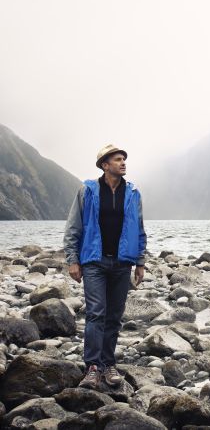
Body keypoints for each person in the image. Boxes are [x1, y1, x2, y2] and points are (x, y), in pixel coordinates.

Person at [63, 144, 147, 389]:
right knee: (96, 312)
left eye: (124, 159)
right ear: (105, 164)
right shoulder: (87, 190)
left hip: (122, 263)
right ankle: (92, 367)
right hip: (94, 262)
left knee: (114, 316)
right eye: (118, 159)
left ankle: (108, 364)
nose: (123, 163)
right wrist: (73, 260)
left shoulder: (133, 193)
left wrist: (140, 262)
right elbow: (74, 227)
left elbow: (139, 229)